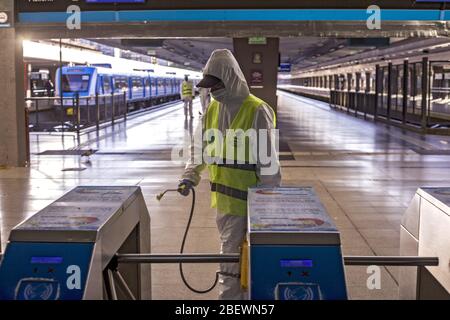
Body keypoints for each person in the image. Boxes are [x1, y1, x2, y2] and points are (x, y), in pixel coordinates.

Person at [178, 49, 281, 300]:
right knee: (234, 260)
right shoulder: (213, 109)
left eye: (216, 85)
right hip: (224, 202)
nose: (212, 91)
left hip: (253, 203)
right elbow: (200, 148)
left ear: (230, 79)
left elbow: (269, 164)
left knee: (237, 261)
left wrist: (270, 205)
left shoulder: (256, 110)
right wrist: (190, 175)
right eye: (209, 86)